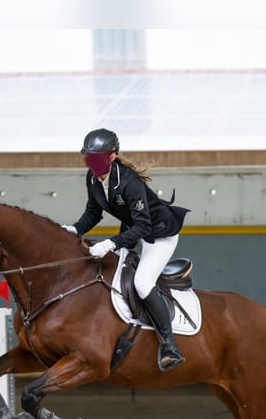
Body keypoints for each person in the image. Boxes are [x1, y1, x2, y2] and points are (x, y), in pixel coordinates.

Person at [63, 128, 189, 372]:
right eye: (87, 158)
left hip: (159, 235)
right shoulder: (92, 178)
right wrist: (74, 230)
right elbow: (93, 212)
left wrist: (111, 243)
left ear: (111, 157)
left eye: (96, 158)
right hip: (133, 230)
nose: (90, 163)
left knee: (142, 282)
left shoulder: (130, 182)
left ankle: (170, 345)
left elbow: (144, 225)